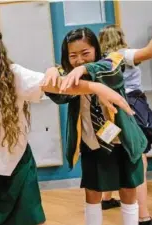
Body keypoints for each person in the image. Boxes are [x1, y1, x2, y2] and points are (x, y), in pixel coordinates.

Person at [0, 23, 134, 225]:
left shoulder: (14, 75)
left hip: (16, 164)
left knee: (32, 221)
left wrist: (95, 87)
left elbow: (56, 85)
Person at [45, 27, 147, 225]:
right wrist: (52, 71)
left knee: (128, 190)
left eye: (85, 53)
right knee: (92, 192)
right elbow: (59, 95)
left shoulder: (111, 61)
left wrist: (84, 69)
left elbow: (110, 69)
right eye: (73, 56)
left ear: (96, 49)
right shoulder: (71, 79)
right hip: (92, 143)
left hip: (123, 142)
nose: (80, 60)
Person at [99, 25, 152, 225]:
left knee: (113, 153)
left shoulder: (100, 61)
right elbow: (148, 52)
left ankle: (105, 199)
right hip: (132, 108)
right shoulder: (123, 54)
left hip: (109, 110)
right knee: (139, 158)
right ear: (120, 37)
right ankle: (144, 216)